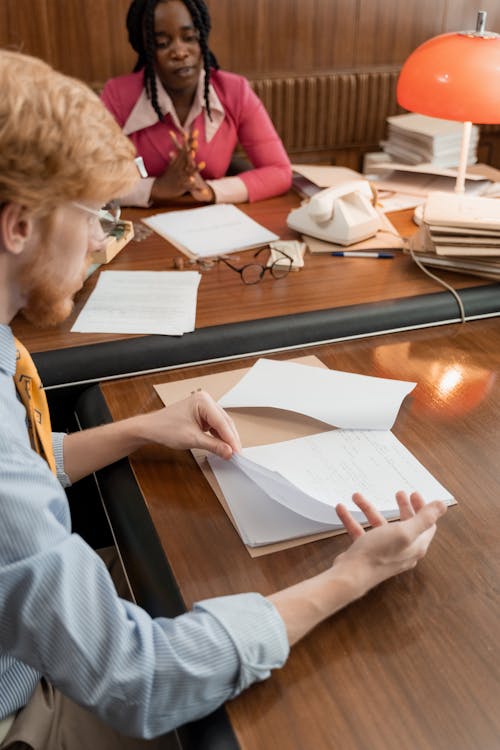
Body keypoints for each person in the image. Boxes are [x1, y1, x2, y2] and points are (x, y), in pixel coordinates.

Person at [0, 49, 447, 750]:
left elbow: (21, 472)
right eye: (93, 214)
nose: (100, 238)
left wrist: (142, 429)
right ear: (18, 224)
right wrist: (352, 575)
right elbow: (141, 678)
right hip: (22, 709)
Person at [101, 0, 293, 207]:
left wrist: (211, 191)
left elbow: (279, 171)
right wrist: (156, 188)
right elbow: (88, 179)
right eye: (163, 44)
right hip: (143, 225)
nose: (180, 52)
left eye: (189, 38)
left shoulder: (235, 91)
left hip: (212, 222)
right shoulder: (118, 96)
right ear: (146, 49)